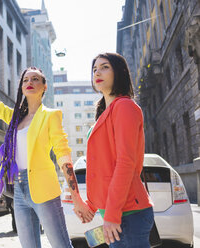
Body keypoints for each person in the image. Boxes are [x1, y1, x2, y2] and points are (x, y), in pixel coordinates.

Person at [0, 41, 94, 248]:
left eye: (35, 79)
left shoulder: (51, 116)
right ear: (21, 86)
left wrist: (76, 197)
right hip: (18, 191)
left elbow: (63, 156)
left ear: (44, 86)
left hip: (44, 190)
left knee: (61, 245)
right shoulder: (15, 118)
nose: (29, 82)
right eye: (26, 79)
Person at [86, 53, 154, 247]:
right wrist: (92, 206)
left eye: (105, 67)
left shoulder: (124, 106)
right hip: (115, 213)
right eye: (94, 69)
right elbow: (102, 167)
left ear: (120, 72)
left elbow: (125, 163)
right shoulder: (104, 114)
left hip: (128, 214)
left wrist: (113, 214)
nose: (97, 72)